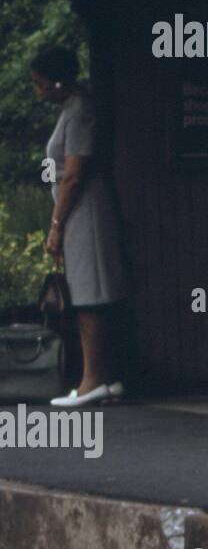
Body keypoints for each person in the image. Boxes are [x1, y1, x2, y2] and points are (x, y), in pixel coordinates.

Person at [30, 47, 128, 407]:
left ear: (57, 80)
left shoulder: (80, 110)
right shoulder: (71, 109)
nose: (38, 91)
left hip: (83, 208)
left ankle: (92, 380)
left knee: (89, 295)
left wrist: (56, 224)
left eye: (41, 84)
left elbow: (73, 174)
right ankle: (103, 377)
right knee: (88, 291)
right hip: (75, 208)